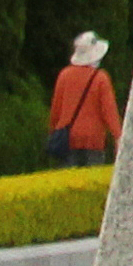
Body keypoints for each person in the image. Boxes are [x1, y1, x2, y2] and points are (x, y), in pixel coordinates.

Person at [47, 30, 122, 167]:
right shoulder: (101, 78)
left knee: (69, 182)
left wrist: (53, 132)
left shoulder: (64, 75)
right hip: (94, 140)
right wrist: (117, 136)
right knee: (92, 180)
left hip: (67, 138)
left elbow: (56, 109)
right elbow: (109, 111)